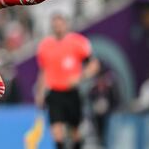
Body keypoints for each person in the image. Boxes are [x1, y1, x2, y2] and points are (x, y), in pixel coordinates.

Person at [35, 14, 100, 149]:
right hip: (54, 93)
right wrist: (40, 92)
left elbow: (94, 64)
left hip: (72, 92)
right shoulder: (45, 46)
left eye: (60, 25)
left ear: (66, 25)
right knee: (57, 132)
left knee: (75, 131)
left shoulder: (78, 42)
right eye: (55, 26)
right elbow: (43, 72)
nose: (57, 28)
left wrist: (81, 77)